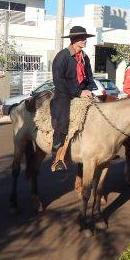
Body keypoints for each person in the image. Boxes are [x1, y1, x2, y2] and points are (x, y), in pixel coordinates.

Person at [51, 25, 95, 160]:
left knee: (98, 114)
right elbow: (58, 81)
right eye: (82, 38)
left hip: (81, 92)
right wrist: (78, 92)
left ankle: (98, 148)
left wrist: (88, 90)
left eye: (85, 38)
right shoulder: (62, 56)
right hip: (64, 94)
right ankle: (56, 154)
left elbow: (89, 77)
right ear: (73, 39)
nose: (85, 40)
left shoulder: (85, 57)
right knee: (63, 119)